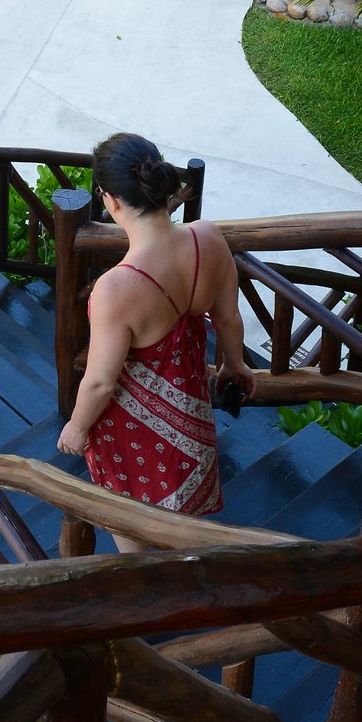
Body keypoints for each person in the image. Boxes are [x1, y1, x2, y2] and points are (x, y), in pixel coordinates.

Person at [56, 132, 254, 534]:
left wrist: (76, 427)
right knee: (181, 511)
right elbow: (230, 320)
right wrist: (236, 366)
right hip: (189, 407)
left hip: (131, 428)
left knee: (127, 516)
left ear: (109, 200)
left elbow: (100, 383)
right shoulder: (209, 238)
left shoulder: (115, 289)